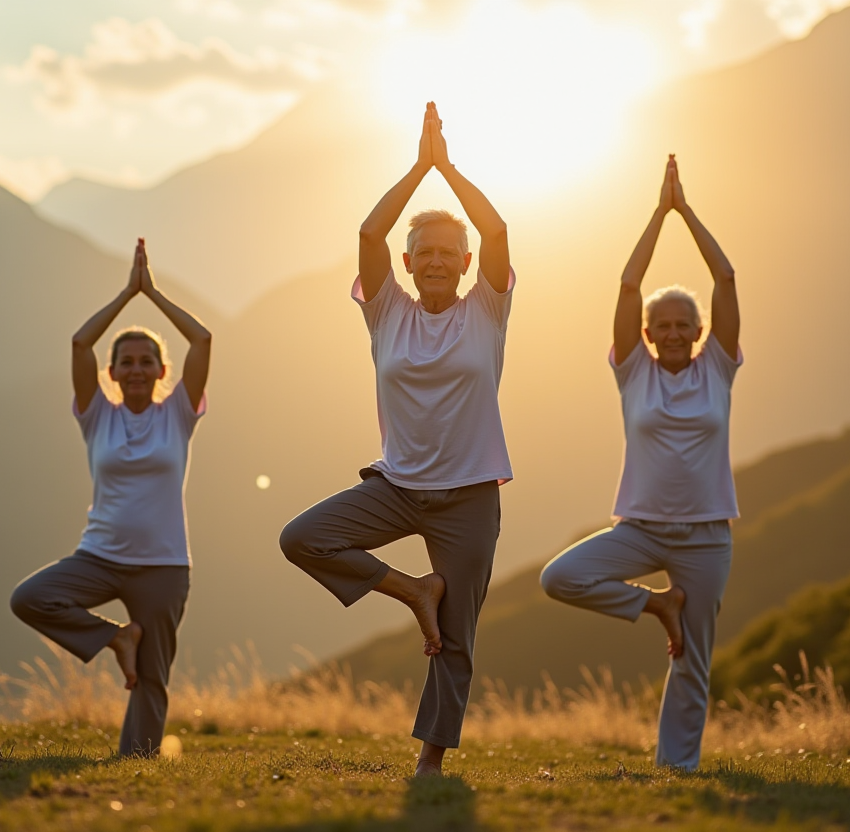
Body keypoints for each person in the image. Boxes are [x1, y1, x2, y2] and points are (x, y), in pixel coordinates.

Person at [280, 102, 514, 777]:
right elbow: (368, 231)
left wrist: (451, 168)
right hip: (396, 487)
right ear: (408, 265)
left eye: (449, 253)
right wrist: (420, 169)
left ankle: (431, 762)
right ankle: (414, 591)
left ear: (466, 262)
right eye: (425, 254)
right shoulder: (385, 310)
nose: (437, 261)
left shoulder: (488, 309)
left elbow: (498, 227)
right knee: (303, 538)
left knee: (459, 637)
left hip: (469, 496)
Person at [539, 156, 741, 772]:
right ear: (647, 335)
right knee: (561, 577)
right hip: (641, 528)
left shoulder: (718, 369)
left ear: (700, 330)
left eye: (685, 324)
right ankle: (658, 605)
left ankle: (676, 769)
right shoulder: (633, 373)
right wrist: (659, 214)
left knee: (693, 662)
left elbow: (727, 277)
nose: (675, 332)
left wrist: (688, 212)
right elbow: (628, 287)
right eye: (664, 326)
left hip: (706, 537)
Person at [10, 238, 211, 757]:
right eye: (127, 362)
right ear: (113, 372)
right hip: (99, 557)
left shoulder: (179, 414)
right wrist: (127, 294)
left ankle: (135, 765)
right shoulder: (96, 413)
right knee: (30, 598)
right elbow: (80, 344)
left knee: (152, 678)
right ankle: (116, 638)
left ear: (162, 372)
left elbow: (203, 338)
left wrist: (155, 294)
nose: (138, 369)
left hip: (165, 567)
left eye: (148, 361)